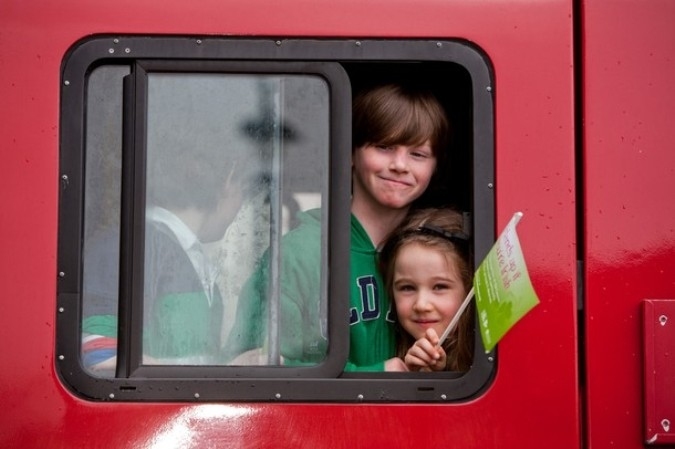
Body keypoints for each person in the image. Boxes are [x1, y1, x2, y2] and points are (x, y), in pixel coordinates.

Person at [224, 83, 451, 371]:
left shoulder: (441, 255)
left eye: (418, 154)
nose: (399, 165)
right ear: (350, 154)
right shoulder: (300, 253)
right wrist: (379, 375)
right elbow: (250, 364)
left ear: (434, 166)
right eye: (384, 147)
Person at [82, 136, 257, 372]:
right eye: (244, 192)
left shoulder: (184, 255)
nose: (239, 207)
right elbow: (99, 356)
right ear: (228, 183)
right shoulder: (127, 249)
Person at [379, 208, 474, 372]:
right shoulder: (387, 348)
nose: (421, 305)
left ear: (467, 288)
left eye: (439, 287)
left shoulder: (484, 361)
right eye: (407, 287)